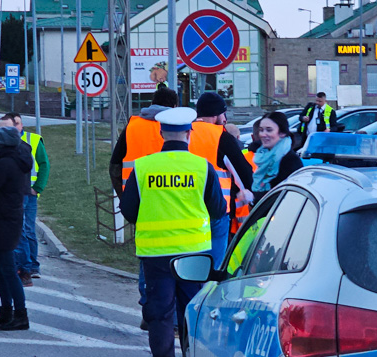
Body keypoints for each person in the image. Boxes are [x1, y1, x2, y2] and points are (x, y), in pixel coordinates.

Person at [119, 107, 227, 357]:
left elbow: (128, 211)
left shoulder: (143, 168)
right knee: (192, 311)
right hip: (194, 254)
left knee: (160, 313)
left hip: (155, 255)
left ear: (161, 133)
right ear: (189, 133)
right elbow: (218, 209)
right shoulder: (201, 167)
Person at [109, 86, 179, 331]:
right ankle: (173, 316)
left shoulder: (133, 125)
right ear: (174, 107)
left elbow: (115, 164)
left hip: (141, 201)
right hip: (173, 199)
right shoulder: (174, 127)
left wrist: (125, 196)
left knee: (147, 256)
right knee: (178, 256)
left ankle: (148, 310)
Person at [0, 126, 33, 331]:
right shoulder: (14, 160)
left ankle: (20, 314)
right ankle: (6, 311)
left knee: (8, 270)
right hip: (8, 219)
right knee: (1, 269)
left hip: (3, 221)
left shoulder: (5, 164)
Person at [188, 92, 250, 240]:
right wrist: (250, 194)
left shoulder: (185, 132)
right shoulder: (221, 136)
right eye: (224, 114)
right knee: (216, 261)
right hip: (216, 210)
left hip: (186, 209)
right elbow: (243, 173)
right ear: (217, 114)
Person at [1, 112, 50, 285]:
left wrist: (38, 188)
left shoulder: (34, 139)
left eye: (18, 123)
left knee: (28, 230)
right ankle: (25, 266)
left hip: (29, 193)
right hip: (15, 192)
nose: (16, 126)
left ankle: (32, 266)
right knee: (21, 230)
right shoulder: (2, 141)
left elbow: (44, 164)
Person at [251, 111, 303, 201]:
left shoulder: (290, 161)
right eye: (261, 130)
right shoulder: (264, 156)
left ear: (282, 133)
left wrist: (253, 198)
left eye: (269, 130)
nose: (263, 134)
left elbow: (284, 198)